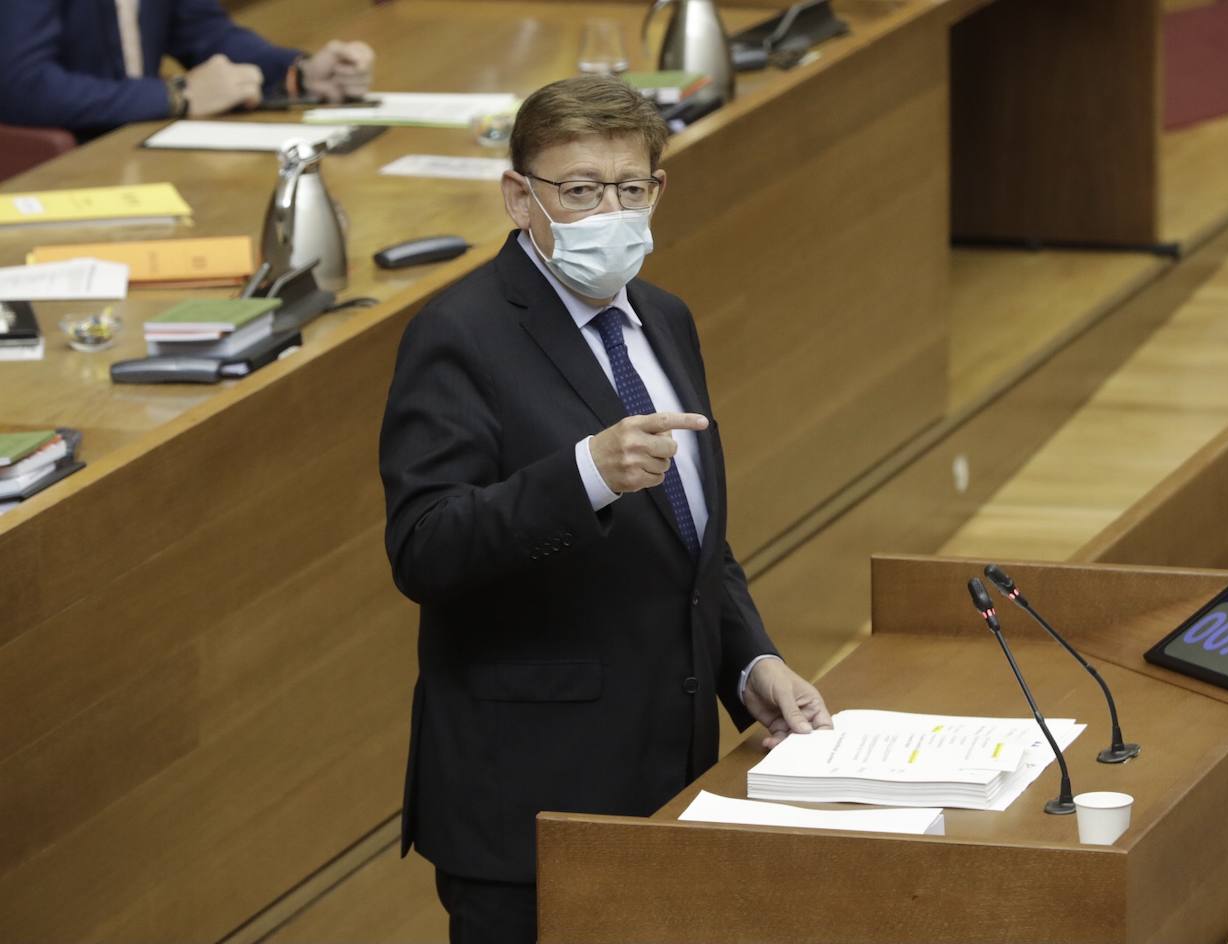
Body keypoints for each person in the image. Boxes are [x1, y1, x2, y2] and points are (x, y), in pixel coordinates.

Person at [379, 74, 833, 944]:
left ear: (657, 192)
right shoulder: (461, 334)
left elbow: (692, 538)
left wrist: (752, 667)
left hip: (669, 779)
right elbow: (425, 548)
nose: (608, 213)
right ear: (521, 197)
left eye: (629, 190)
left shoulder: (664, 319)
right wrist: (583, 473)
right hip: (529, 808)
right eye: (580, 191)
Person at [0, 0, 374, 138]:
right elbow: (20, 86)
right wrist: (176, 96)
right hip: (55, 173)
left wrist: (299, 73)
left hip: (135, 147)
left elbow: (204, 32)